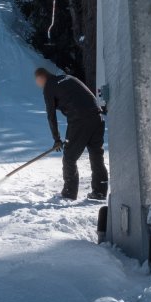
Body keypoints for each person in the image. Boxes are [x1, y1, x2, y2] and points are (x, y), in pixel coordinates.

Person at [35, 67, 107, 201]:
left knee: (69, 157)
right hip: (97, 117)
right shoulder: (68, 78)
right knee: (96, 155)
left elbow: (51, 116)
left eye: (37, 81)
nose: (37, 84)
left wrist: (56, 139)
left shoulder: (49, 86)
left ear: (41, 78)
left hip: (80, 120)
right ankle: (100, 192)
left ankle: (69, 193)